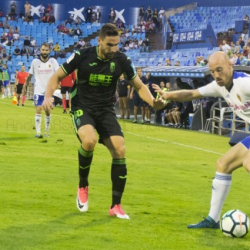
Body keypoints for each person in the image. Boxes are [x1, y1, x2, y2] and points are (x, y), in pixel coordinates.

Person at [152, 51, 250, 230]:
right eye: (212, 72)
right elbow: (192, 94)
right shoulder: (219, 86)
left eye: (219, 70)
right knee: (223, 164)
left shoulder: (247, 83)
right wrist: (167, 96)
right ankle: (212, 219)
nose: (216, 75)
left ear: (230, 66)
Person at [42, 24, 165, 219]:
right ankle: (83, 185)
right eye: (109, 45)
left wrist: (153, 102)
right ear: (99, 41)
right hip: (83, 107)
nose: (113, 49)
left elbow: (139, 85)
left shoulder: (122, 59)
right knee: (89, 141)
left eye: (116, 44)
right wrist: (48, 96)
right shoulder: (82, 56)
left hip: (105, 110)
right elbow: (57, 76)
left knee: (120, 148)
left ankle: (116, 205)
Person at [26, 43, 59, 138]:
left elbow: (58, 75)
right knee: (38, 109)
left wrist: (57, 85)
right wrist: (25, 86)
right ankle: (38, 132)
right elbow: (30, 75)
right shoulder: (35, 62)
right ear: (40, 50)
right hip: (38, 91)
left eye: (46, 50)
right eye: (43, 50)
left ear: (49, 51)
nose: (44, 52)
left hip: (49, 92)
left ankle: (47, 130)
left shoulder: (53, 62)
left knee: (48, 111)